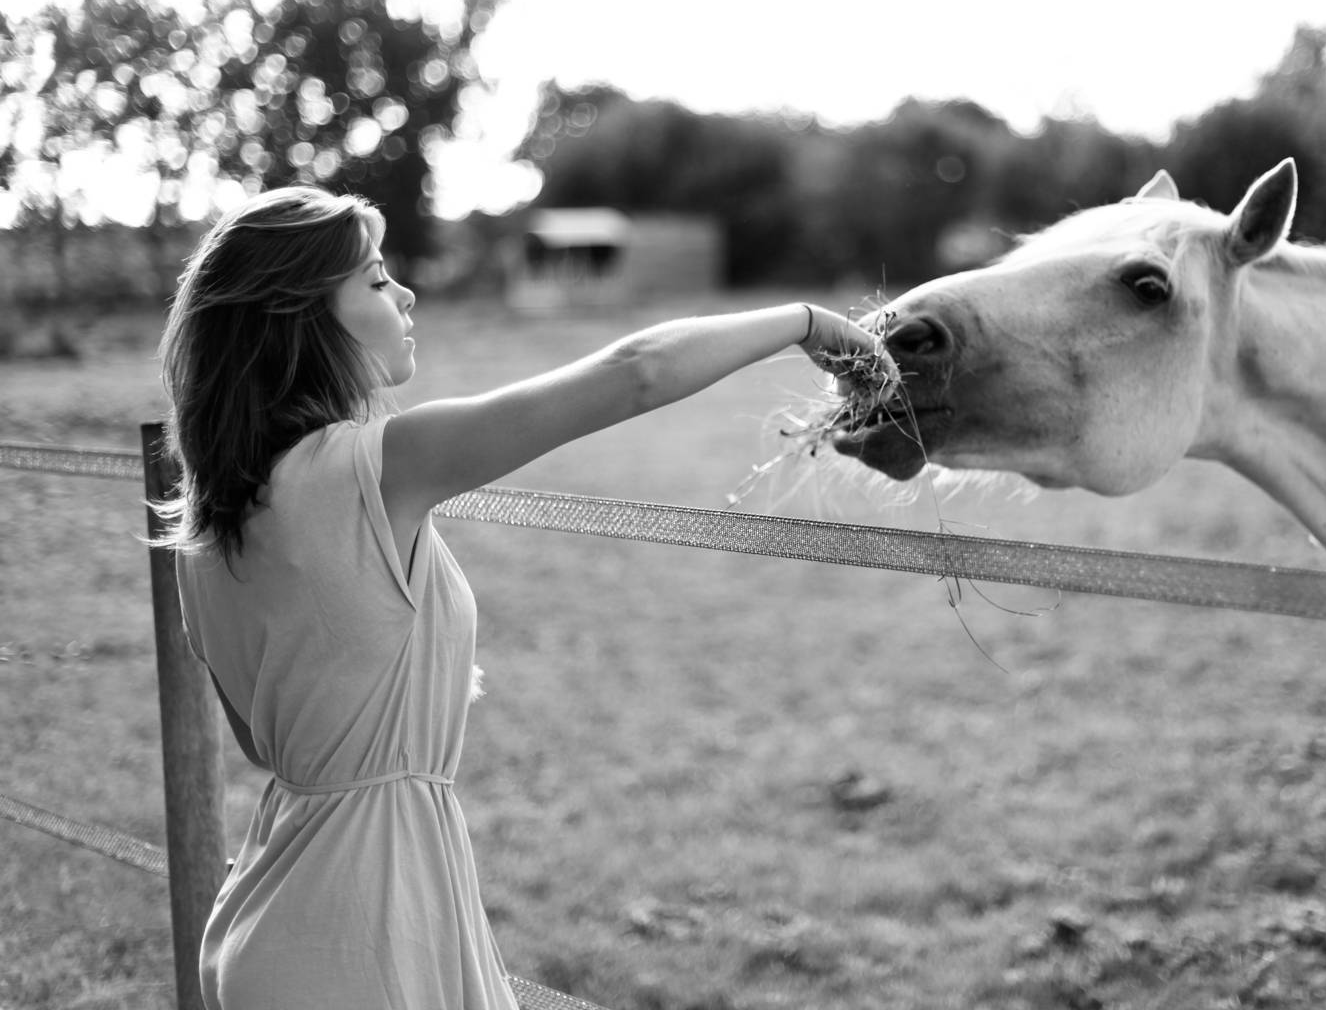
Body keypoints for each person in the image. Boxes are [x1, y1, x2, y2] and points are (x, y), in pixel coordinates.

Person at [156, 185, 894, 1010]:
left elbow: (269, 743)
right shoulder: (375, 466)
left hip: (271, 912)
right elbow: (638, 374)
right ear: (299, 319)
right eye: (371, 279)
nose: (403, 294)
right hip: (364, 930)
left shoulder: (204, 528)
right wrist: (802, 322)